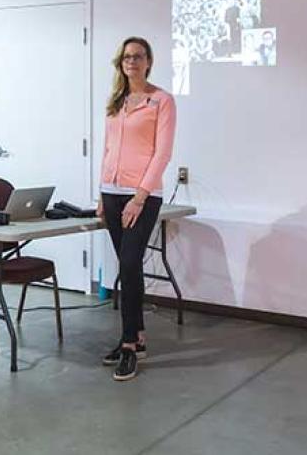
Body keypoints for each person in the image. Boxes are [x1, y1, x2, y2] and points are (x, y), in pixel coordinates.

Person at [97, 37, 177, 380]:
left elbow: (163, 153)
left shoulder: (161, 101)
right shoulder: (116, 102)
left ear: (148, 62)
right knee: (128, 269)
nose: (132, 61)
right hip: (111, 193)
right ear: (121, 62)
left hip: (141, 195)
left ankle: (129, 344)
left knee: (130, 264)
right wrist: (101, 193)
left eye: (138, 56)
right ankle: (137, 337)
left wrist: (140, 196)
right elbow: (108, 147)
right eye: (127, 56)